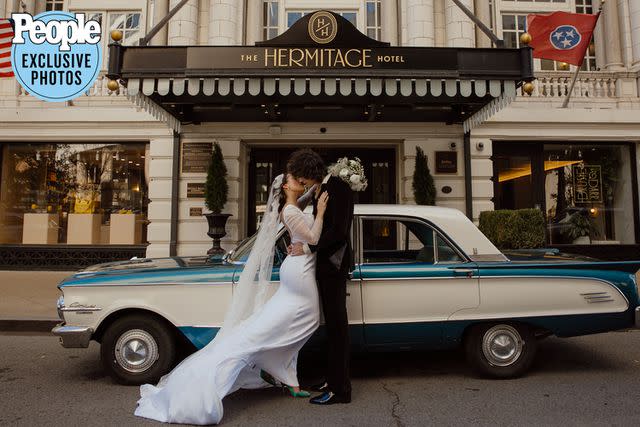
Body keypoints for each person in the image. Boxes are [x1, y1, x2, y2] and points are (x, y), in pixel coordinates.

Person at [134, 173, 328, 425]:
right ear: (286, 186)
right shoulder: (290, 210)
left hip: (298, 268)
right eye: (294, 180)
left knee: (292, 321)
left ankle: (283, 372)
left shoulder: (291, 207)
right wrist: (321, 212)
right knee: (306, 320)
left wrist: (314, 191)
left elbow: (301, 207)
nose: (299, 181)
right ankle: (266, 362)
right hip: (300, 271)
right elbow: (312, 238)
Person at [287, 149, 354, 405]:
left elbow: (338, 231)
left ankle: (341, 390)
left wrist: (308, 248)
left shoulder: (338, 188)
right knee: (332, 328)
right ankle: (332, 379)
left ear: (309, 171)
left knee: (338, 329)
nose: (300, 181)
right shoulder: (323, 188)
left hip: (333, 267)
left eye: (301, 175)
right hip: (325, 267)